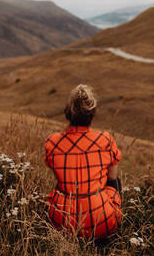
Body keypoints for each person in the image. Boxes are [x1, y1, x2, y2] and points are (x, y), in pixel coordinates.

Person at [44, 84, 122, 239]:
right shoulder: (105, 139)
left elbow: (62, 177)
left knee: (62, 185)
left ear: (68, 113)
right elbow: (112, 178)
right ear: (92, 115)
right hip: (102, 224)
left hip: (62, 224)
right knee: (115, 182)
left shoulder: (52, 142)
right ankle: (113, 232)